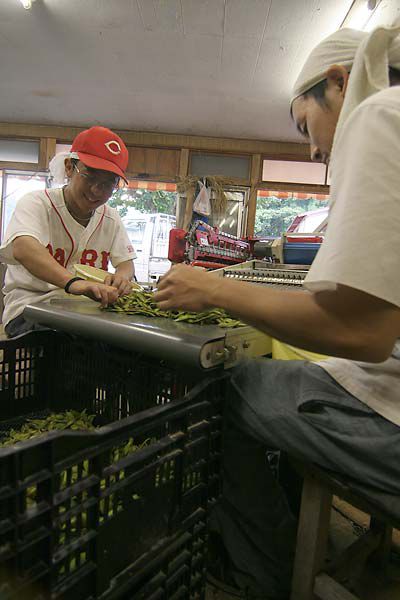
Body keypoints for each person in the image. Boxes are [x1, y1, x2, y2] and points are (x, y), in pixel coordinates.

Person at [154, 24, 400, 600]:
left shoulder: (381, 114)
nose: (312, 149)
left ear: (339, 83)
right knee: (288, 379)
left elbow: (361, 331)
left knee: (218, 392)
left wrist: (215, 290)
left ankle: (264, 574)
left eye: (304, 124)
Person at [0, 126, 136, 338]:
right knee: (69, 344)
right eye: (90, 176)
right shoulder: (37, 203)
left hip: (86, 312)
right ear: (69, 168)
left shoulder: (110, 217)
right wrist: (74, 283)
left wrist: (122, 278)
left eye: (108, 183)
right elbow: (23, 247)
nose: (96, 190)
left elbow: (126, 263)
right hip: (31, 308)